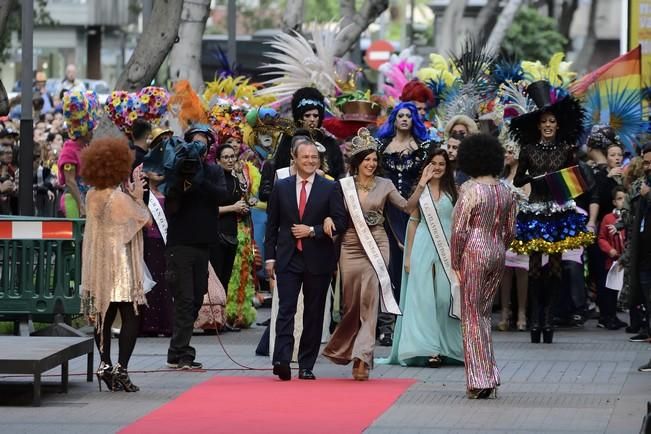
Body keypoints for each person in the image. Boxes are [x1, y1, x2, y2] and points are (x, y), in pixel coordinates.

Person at [323, 128, 435, 380]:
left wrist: (422, 183)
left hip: (378, 245)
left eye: (375, 159)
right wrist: (329, 217)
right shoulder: (344, 186)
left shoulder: (385, 184)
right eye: (367, 160)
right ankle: (345, 348)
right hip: (350, 245)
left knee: (370, 301)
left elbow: (407, 206)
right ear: (357, 162)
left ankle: (362, 357)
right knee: (351, 304)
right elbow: (332, 212)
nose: (372, 164)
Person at [510, 80, 592, 344]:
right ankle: (535, 318)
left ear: (558, 125)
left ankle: (548, 318)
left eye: (552, 121)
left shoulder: (566, 149)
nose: (547, 125)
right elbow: (517, 180)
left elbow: (575, 181)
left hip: (558, 210)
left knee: (556, 267)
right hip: (534, 210)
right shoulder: (528, 150)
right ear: (538, 124)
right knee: (534, 268)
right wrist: (535, 179)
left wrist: (559, 180)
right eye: (544, 121)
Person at [265, 137, 347, 381]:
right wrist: (269, 259)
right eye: (305, 157)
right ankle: (281, 359)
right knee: (286, 310)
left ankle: (306, 364)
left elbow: (341, 222)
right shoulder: (282, 186)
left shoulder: (330, 187)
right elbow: (272, 226)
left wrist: (313, 230)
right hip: (288, 258)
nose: (310, 161)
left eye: (314, 157)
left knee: (313, 313)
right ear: (295, 159)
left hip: (318, 258)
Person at [377, 148, 463, 370]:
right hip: (423, 246)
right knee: (423, 298)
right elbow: (411, 215)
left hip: (446, 247)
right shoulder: (421, 190)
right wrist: (408, 256)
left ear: (447, 167)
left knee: (445, 298)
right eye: (433, 163)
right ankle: (429, 349)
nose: (437, 167)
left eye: (441, 164)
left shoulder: (454, 191)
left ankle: (447, 347)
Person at [80, 137, 151, 392]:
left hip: (96, 266)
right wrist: (138, 197)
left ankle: (105, 366)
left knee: (103, 316)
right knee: (132, 315)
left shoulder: (90, 195)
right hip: (120, 266)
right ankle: (121, 368)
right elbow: (145, 221)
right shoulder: (119, 198)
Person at [451, 133, 517, 399]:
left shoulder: (470, 191)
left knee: (471, 316)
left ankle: (479, 379)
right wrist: (499, 246)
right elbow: (510, 230)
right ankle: (489, 374)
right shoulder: (506, 192)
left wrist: (455, 260)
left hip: (474, 252)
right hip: (497, 251)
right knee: (485, 315)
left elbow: (458, 231)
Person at [165, 124, 227, 370]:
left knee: (196, 298)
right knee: (184, 298)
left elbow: (222, 196)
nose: (198, 147)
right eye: (194, 142)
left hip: (203, 244)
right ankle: (181, 353)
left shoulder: (212, 172)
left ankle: (177, 349)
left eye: (203, 143)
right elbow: (172, 205)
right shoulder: (177, 169)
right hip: (180, 244)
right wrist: (181, 180)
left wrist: (201, 181)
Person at [374, 101, 437, 346]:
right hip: (386, 214)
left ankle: (410, 325)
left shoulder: (423, 148)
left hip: (414, 213)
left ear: (414, 121)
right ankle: (387, 326)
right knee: (387, 271)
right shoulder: (381, 147)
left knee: (411, 269)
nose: (403, 120)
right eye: (400, 115)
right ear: (394, 119)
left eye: (408, 116)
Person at [272, 87, 345, 180]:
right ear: (300, 117)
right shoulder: (288, 140)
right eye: (307, 115)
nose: (312, 119)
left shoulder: (330, 144)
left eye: (315, 116)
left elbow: (338, 176)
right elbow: (280, 172)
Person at [619, 146, 651, 348]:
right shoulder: (642, 185)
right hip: (643, 251)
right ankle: (645, 329)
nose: (647, 167)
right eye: (646, 162)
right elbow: (629, 214)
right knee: (645, 296)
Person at [498, 134, 530, 331]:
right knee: (504, 273)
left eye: (510, 151)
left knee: (522, 272)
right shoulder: (502, 178)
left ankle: (521, 312)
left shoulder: (525, 177)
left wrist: (515, 196)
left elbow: (529, 199)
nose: (507, 155)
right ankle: (504, 312)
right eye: (505, 151)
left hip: (521, 228)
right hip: (503, 230)